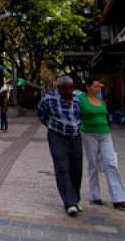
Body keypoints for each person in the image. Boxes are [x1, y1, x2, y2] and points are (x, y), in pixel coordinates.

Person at [79, 78, 125, 210]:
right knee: (93, 164)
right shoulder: (81, 99)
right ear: (88, 87)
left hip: (105, 133)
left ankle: (119, 198)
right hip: (89, 133)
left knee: (110, 163)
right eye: (95, 86)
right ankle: (94, 195)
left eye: (99, 87)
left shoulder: (101, 101)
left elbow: (105, 116)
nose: (98, 89)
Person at [37, 75, 83, 217]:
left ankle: (75, 198)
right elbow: (40, 114)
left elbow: (82, 116)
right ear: (59, 88)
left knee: (76, 168)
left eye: (71, 88)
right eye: (65, 88)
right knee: (62, 167)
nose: (69, 91)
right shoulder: (49, 99)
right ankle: (69, 203)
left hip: (75, 137)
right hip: (57, 137)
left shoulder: (78, 99)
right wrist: (51, 127)